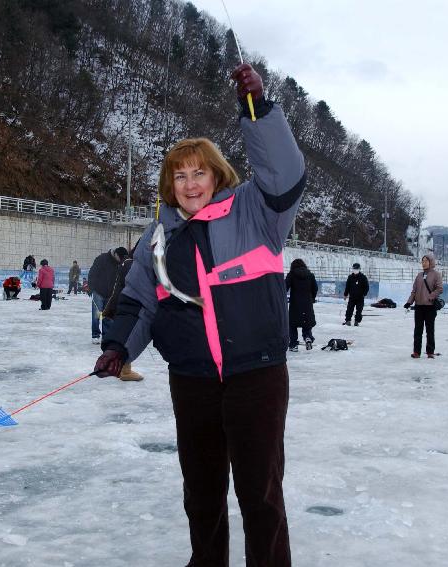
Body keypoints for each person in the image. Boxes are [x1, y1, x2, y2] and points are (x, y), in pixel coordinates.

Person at [95, 63, 300, 565]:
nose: (190, 184)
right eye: (179, 176)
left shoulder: (257, 211)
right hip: (193, 380)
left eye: (199, 172)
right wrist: (117, 347)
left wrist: (258, 111)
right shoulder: (157, 237)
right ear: (170, 184)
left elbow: (283, 171)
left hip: (256, 373)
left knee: (261, 493)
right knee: (202, 492)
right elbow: (138, 302)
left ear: (217, 175)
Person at [101, 248, 143, 381]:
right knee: (126, 335)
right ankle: (125, 371)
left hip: (118, 301)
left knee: (123, 334)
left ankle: (122, 368)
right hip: (126, 303)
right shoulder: (132, 264)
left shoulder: (125, 263)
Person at [403, 253, 443, 358]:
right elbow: (414, 291)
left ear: (431, 262)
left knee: (430, 330)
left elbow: (439, 289)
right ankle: (416, 352)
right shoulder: (419, 275)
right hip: (419, 306)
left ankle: (430, 352)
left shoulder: (436, 275)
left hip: (430, 307)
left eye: (426, 261)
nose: (424, 263)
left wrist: (431, 296)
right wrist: (409, 302)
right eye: (422, 261)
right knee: (418, 330)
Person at [88, 247, 128, 344]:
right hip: (98, 291)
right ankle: (95, 335)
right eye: (121, 258)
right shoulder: (102, 259)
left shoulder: (119, 264)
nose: (121, 261)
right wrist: (91, 287)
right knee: (96, 315)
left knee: (108, 316)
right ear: (116, 254)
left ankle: (106, 336)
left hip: (111, 294)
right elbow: (92, 273)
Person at [286, 258, 318, 351]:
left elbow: (285, 286)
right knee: (306, 322)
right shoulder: (310, 275)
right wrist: (312, 298)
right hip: (307, 304)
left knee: (292, 324)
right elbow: (315, 288)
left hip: (295, 304)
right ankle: (308, 338)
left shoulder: (291, 274)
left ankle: (293, 344)